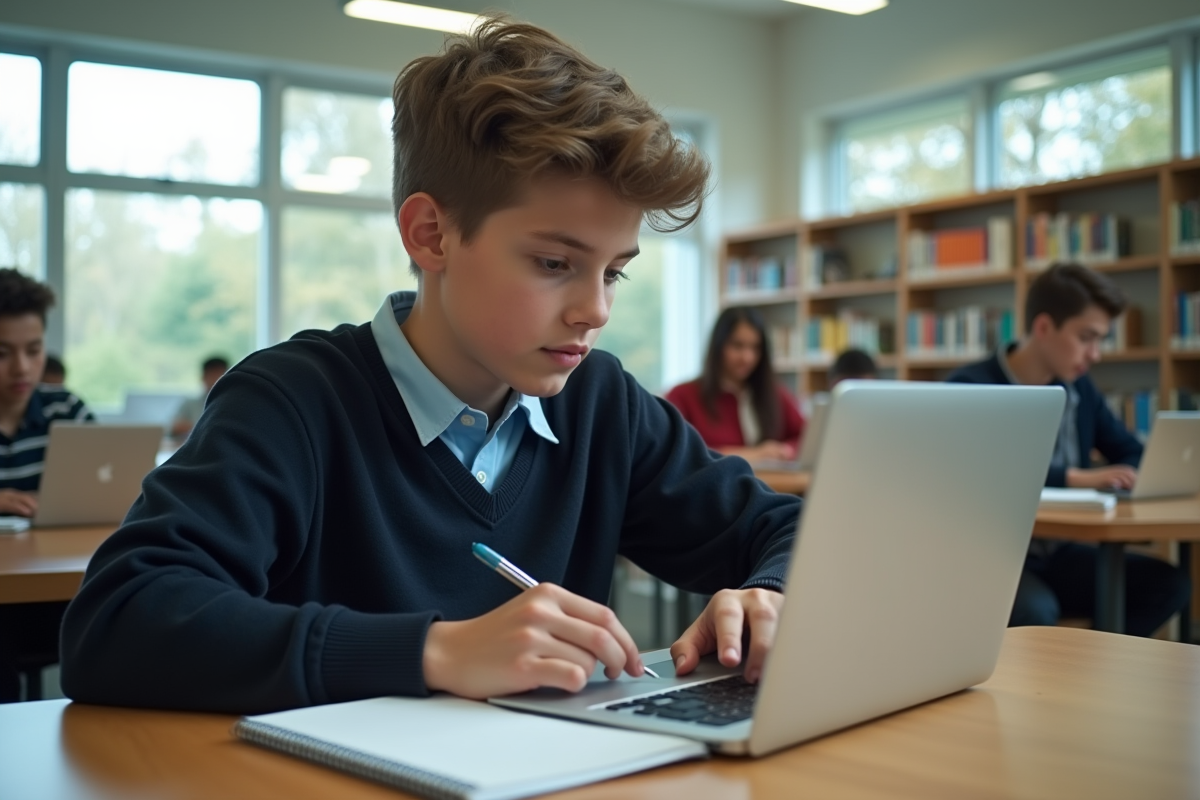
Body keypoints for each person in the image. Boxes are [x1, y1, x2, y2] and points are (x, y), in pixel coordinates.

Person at [59, 19, 800, 714]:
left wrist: (769, 592)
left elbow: (793, 530)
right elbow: (120, 620)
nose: (595, 310)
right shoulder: (292, 401)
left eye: (614, 272)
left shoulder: (600, 403)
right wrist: (434, 651)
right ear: (431, 234)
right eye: (554, 263)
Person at [947, 263, 1189, 636]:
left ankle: (1093, 666)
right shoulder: (970, 387)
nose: (1095, 354)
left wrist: (1127, 475)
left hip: (1057, 550)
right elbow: (976, 476)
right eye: (1086, 337)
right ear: (1044, 327)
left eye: (1100, 340)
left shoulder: (1080, 388)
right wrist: (1075, 478)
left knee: (1166, 584)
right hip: (991, 555)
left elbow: (1129, 450)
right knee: (1035, 611)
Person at [0, 269, 95, 702]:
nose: (21, 367)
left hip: (59, 587)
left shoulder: (66, 409)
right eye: (2, 353)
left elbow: (107, 485)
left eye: (34, 350)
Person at [665, 307, 805, 462]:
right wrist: (756, 454)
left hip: (771, 477)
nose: (747, 357)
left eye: (755, 348)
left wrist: (784, 450)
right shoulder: (683, 396)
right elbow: (681, 452)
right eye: (737, 346)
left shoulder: (775, 393)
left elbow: (806, 436)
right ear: (719, 346)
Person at [169, 355, 229, 441]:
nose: (215, 381)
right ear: (203, 377)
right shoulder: (190, 403)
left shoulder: (232, 404)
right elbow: (174, 428)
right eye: (212, 376)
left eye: (219, 376)